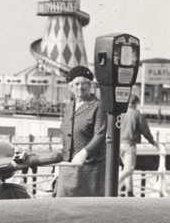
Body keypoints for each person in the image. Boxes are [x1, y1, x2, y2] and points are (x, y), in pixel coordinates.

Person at [20, 65, 106, 197]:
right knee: (63, 204)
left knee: (85, 206)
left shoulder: (98, 106)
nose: (80, 87)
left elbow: (100, 134)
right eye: (76, 84)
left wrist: (84, 153)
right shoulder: (69, 108)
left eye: (84, 83)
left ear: (90, 86)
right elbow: (66, 138)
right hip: (68, 169)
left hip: (90, 170)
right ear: (71, 87)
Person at [119, 93, 157, 196]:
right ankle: (116, 183)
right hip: (130, 145)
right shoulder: (137, 114)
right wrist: (153, 142)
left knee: (125, 168)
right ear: (136, 103)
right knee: (129, 169)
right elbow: (145, 131)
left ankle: (129, 191)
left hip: (119, 144)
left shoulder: (121, 113)